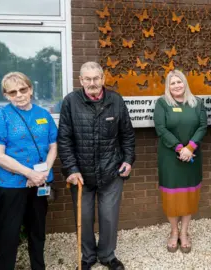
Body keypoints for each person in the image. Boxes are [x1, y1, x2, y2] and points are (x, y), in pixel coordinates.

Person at [57, 61, 135, 270]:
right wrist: (72, 169)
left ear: (103, 78)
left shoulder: (116, 101)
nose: (92, 83)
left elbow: (127, 134)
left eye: (96, 78)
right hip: (81, 174)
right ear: (80, 80)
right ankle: (87, 256)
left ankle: (108, 255)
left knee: (109, 217)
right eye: (87, 79)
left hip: (111, 171)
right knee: (84, 216)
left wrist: (128, 160)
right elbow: (64, 139)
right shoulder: (70, 102)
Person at [0, 72, 58, 270]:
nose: (19, 94)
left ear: (30, 89)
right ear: (6, 95)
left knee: (37, 232)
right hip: (10, 185)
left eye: (23, 89)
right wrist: (30, 173)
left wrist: (43, 173)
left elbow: (53, 146)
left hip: (39, 183)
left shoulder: (43, 115)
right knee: (8, 234)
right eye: (13, 92)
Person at [154, 70, 207, 253]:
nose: (177, 85)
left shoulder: (197, 103)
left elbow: (202, 126)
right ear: (168, 86)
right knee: (171, 197)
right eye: (172, 83)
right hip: (170, 157)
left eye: (179, 82)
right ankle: (173, 232)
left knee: (188, 196)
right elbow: (160, 128)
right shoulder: (162, 103)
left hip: (192, 156)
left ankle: (184, 233)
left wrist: (190, 148)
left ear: (185, 83)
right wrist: (179, 148)